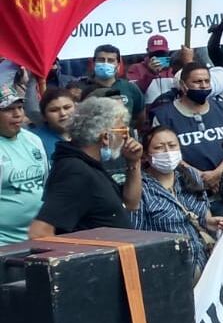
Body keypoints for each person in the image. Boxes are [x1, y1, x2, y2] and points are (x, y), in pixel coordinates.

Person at [28, 97, 141, 238]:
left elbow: (131, 204)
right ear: (106, 137)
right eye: (122, 130)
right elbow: (39, 233)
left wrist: (133, 162)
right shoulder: (75, 171)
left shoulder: (90, 165)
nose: (126, 137)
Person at [130, 125, 223, 277]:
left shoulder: (189, 177)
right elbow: (137, 235)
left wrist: (209, 222)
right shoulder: (140, 188)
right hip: (171, 273)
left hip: (205, 263)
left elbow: (203, 213)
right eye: (159, 147)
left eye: (173, 146)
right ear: (146, 155)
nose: (168, 152)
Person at [149, 62, 223, 190]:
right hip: (187, 187)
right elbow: (164, 153)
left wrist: (217, 173)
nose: (203, 86)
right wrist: (198, 175)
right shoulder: (163, 116)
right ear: (183, 85)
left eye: (207, 81)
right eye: (197, 82)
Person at [0, 84, 48, 243]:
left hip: (39, 236)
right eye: (8, 109)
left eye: (20, 107)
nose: (17, 114)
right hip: (4, 243)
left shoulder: (33, 140)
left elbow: (45, 183)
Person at [30, 87, 75, 161]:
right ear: (44, 116)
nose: (63, 113)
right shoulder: (34, 140)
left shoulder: (88, 134)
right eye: (54, 110)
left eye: (67, 108)